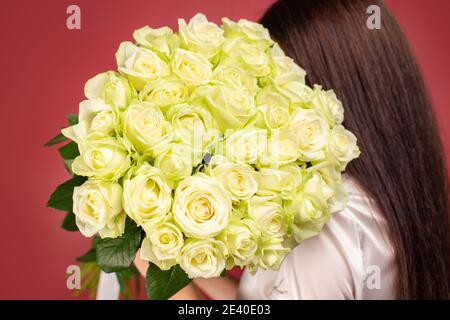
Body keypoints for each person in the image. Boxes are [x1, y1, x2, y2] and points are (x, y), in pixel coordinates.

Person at [134, 0, 450, 299]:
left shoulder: (330, 217)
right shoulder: (377, 196)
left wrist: (161, 282)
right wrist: (187, 266)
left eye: (272, 83)